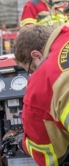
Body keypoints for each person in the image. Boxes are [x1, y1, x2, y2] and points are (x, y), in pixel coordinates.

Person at [13, 24, 69, 166]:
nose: (33, 74)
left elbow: (48, 154)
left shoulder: (41, 81)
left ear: (37, 56)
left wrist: (22, 142)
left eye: (31, 69)